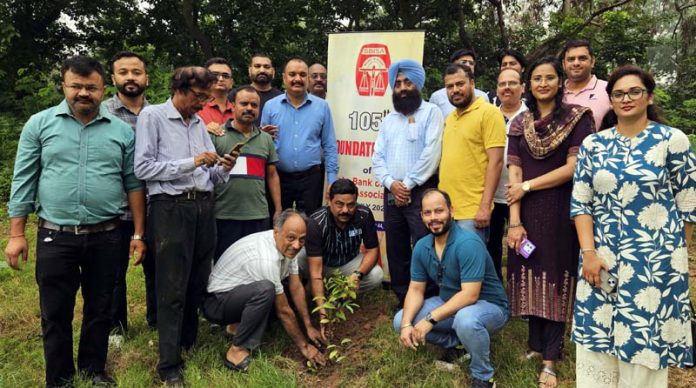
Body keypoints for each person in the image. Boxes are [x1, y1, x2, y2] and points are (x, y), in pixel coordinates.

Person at [4, 55, 146, 387]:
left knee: (100, 308)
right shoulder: (39, 124)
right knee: (56, 311)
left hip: (108, 234)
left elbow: (134, 184)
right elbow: (23, 180)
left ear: (103, 88)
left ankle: (93, 370)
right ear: (65, 86)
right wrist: (16, 234)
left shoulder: (122, 132)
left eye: (91, 88)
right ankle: (60, 377)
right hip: (56, 234)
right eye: (77, 86)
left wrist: (139, 232)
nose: (84, 93)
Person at [570, 65, 695, 387]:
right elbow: (581, 203)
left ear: (649, 96)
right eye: (618, 94)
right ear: (610, 100)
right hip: (602, 257)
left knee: (645, 336)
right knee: (599, 334)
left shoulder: (672, 140)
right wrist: (589, 253)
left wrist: (675, 260)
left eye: (634, 92)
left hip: (655, 263)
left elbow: (688, 204)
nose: (626, 99)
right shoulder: (593, 145)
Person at [134, 66, 237, 385]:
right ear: (179, 88)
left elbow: (207, 176)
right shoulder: (153, 117)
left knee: (197, 278)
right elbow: (143, 168)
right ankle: (168, 365)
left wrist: (223, 168)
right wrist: (192, 162)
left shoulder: (198, 124)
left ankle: (187, 341)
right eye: (198, 97)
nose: (202, 103)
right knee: (171, 287)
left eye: (206, 98)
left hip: (203, 206)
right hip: (171, 209)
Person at [505, 56, 594, 388]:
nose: (543, 83)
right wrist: (514, 222)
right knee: (528, 271)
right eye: (537, 78)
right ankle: (535, 344)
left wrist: (529, 185)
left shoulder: (577, 119)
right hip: (525, 211)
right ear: (530, 84)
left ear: (560, 82)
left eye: (549, 77)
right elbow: (514, 172)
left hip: (561, 209)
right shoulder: (520, 123)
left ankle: (550, 359)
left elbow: (575, 168)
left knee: (556, 276)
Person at [393, 189, 509, 388]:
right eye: (428, 213)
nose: (433, 218)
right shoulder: (422, 246)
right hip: (450, 303)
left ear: (451, 211)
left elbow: (470, 295)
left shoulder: (468, 242)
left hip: (489, 306)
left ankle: (483, 376)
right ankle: (457, 343)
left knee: (466, 320)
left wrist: (430, 319)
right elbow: (415, 290)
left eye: (439, 211)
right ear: (421, 216)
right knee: (400, 320)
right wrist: (406, 325)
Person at [203, 209, 327, 372]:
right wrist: (305, 347)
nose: (297, 245)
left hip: (236, 293)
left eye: (302, 239)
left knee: (275, 290)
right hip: (216, 303)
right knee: (266, 290)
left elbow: (296, 287)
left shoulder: (286, 244)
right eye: (291, 238)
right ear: (277, 232)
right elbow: (284, 311)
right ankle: (236, 351)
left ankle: (234, 328)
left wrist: (308, 325)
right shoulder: (266, 258)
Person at [372, 59, 443, 306]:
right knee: (396, 247)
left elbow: (431, 153)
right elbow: (377, 157)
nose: (402, 87)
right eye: (398, 83)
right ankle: (402, 297)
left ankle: (432, 297)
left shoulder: (431, 113)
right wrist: (392, 184)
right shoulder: (389, 120)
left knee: (426, 245)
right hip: (392, 192)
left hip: (422, 191)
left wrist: (408, 184)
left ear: (418, 84)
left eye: (407, 82)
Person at [104, 50, 157, 342]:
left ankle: (157, 319)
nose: (131, 78)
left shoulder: (159, 113)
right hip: (115, 206)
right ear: (113, 78)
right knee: (113, 271)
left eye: (136, 72)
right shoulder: (103, 114)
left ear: (146, 77)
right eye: (123, 72)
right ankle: (116, 327)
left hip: (156, 204)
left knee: (158, 268)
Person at [298, 179, 384, 331]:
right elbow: (316, 272)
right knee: (297, 260)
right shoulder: (316, 222)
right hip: (319, 263)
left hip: (347, 262)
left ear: (356, 201)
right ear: (329, 201)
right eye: (339, 204)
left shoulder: (363, 215)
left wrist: (357, 275)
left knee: (376, 275)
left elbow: (372, 250)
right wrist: (323, 314)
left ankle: (337, 296)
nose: (345, 210)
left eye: (351, 205)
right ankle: (306, 295)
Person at [210, 86, 281, 261]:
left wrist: (278, 209)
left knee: (256, 263)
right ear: (232, 105)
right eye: (244, 103)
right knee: (224, 263)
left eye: (254, 105)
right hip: (225, 214)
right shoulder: (217, 135)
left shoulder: (265, 139)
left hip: (257, 215)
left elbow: (272, 175)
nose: (249, 108)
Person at [261, 58, 339, 215]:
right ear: (284, 78)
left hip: (311, 178)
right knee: (278, 223)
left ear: (308, 79)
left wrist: (332, 179)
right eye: (292, 74)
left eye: (302, 74)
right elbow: (262, 144)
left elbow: (329, 145)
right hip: (278, 178)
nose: (297, 79)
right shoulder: (270, 106)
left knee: (311, 224)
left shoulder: (322, 107)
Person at [438, 63, 506, 244]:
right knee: (449, 268)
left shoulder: (489, 113)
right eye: (450, 86)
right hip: (446, 211)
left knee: (470, 269)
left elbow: (496, 162)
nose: (455, 90)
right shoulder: (450, 117)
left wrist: (484, 207)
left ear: (472, 83)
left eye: (460, 84)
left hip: (473, 212)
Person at [487, 68, 527, 281]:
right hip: (491, 193)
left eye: (512, 83)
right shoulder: (487, 114)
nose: (507, 88)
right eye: (502, 84)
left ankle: (522, 290)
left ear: (523, 88)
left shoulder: (532, 116)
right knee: (491, 245)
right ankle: (495, 292)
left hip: (521, 193)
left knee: (521, 245)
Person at [561, 39, 610, 130]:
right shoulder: (555, 92)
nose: (576, 63)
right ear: (564, 64)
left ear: (592, 61)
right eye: (571, 59)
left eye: (582, 58)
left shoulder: (608, 90)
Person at [429, 48, 489, 118]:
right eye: (464, 62)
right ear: (453, 65)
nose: (468, 65)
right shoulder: (437, 97)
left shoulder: (483, 96)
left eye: (471, 63)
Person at [226, 52, 282, 128]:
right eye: (257, 66)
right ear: (249, 70)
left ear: (273, 71)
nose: (262, 70)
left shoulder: (281, 99)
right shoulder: (236, 94)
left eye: (266, 67)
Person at [199, 57, 235, 136]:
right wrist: (202, 129)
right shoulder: (194, 108)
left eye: (225, 76)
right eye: (215, 75)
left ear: (231, 82)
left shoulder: (238, 110)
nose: (220, 79)